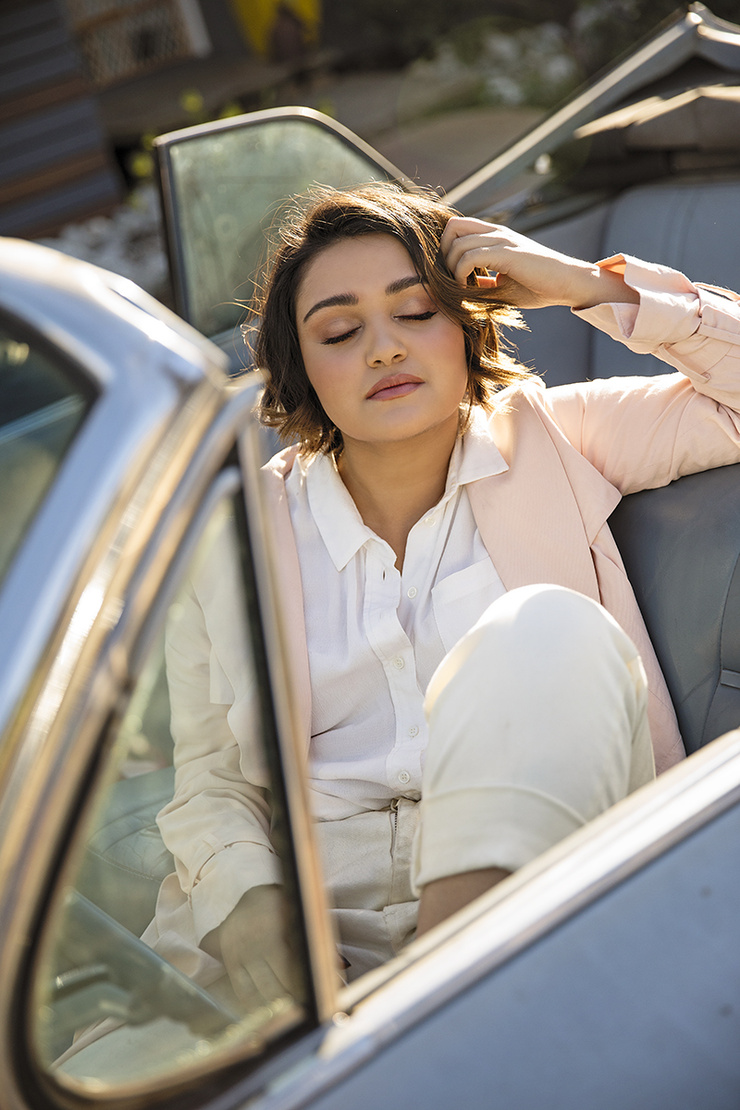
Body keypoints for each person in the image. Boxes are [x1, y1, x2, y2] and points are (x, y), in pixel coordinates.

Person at [150, 182, 740, 997]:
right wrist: (249, 903)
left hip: (542, 867)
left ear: (465, 325)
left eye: (417, 312)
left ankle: (442, 1011)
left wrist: (583, 284)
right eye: (340, 331)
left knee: (543, 631)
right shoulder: (232, 534)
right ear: (303, 369)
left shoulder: (555, 436)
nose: (384, 349)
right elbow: (211, 779)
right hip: (309, 919)